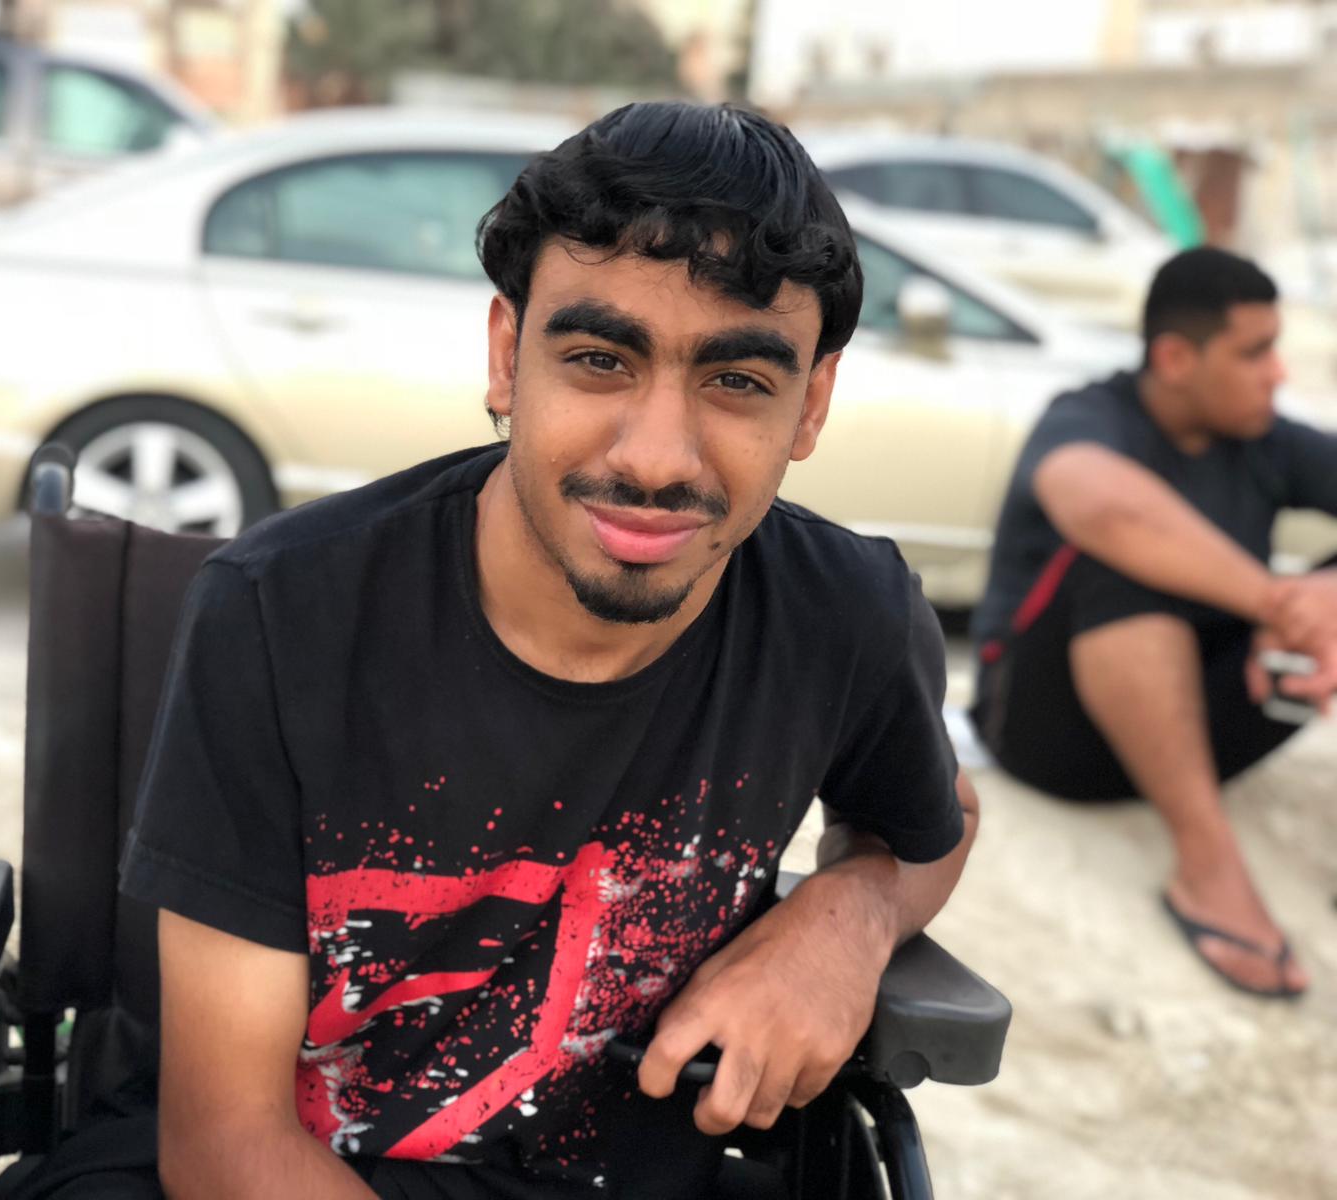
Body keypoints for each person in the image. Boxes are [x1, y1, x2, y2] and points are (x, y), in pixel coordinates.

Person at [120, 102, 978, 1200]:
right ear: (505, 356)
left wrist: (851, 915)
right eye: (598, 360)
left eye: (738, 382)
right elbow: (224, 1144)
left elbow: (935, 820)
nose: (656, 459)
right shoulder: (280, 615)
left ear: (810, 405)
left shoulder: (843, 615)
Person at [969, 246, 1337, 1000]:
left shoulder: (1266, 440)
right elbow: (1098, 503)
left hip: (1209, 722)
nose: (1278, 373)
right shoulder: (1089, 416)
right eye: (1255, 352)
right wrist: (1276, 604)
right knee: (1116, 556)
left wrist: (1323, 598)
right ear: (1174, 358)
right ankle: (1208, 870)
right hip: (1046, 735)